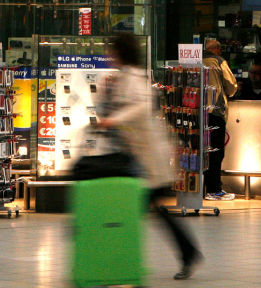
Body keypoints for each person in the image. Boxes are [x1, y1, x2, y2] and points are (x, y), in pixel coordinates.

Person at [97, 34, 203, 280]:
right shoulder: (121, 78)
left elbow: (140, 108)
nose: (109, 56)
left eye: (112, 51)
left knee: (139, 209)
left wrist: (113, 120)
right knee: (147, 210)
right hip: (135, 157)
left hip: (147, 160)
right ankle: (187, 252)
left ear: (122, 53)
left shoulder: (135, 79)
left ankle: (184, 253)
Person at [202, 40, 237, 201]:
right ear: (216, 50)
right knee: (216, 151)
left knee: (200, 151)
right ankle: (214, 189)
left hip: (196, 111)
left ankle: (198, 187)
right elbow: (230, 86)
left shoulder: (195, 60)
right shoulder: (219, 61)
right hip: (215, 110)